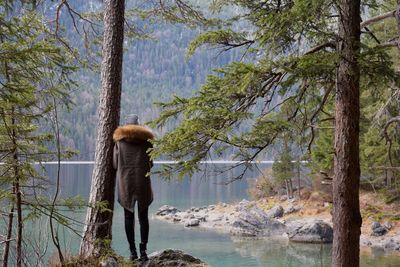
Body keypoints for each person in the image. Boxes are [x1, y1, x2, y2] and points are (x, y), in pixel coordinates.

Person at [113, 114, 154, 261]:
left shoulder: (119, 143)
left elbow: (114, 164)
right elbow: (151, 163)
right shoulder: (147, 142)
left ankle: (132, 252)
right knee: (143, 217)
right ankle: (143, 251)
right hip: (143, 183)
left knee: (128, 216)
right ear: (139, 126)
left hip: (126, 183)